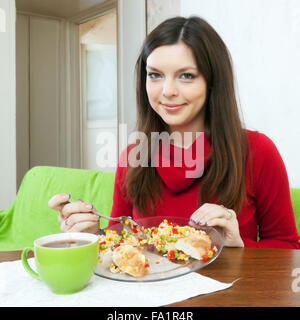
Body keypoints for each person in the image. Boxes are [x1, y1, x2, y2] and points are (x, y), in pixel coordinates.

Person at [48, 16, 300, 249]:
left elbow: (289, 248)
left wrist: (239, 246)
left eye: (186, 76)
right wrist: (94, 234)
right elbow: (122, 241)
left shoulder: (258, 151)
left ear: (212, 82)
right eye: (155, 75)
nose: (167, 91)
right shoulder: (134, 155)